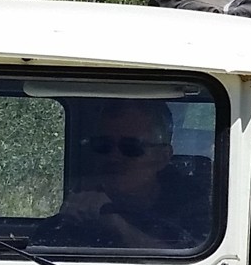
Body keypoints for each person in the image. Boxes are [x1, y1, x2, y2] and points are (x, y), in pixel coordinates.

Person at [45, 99, 210, 249]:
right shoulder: (79, 210)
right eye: (103, 145)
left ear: (162, 157)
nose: (114, 157)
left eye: (131, 147)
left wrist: (115, 223)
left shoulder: (193, 209)